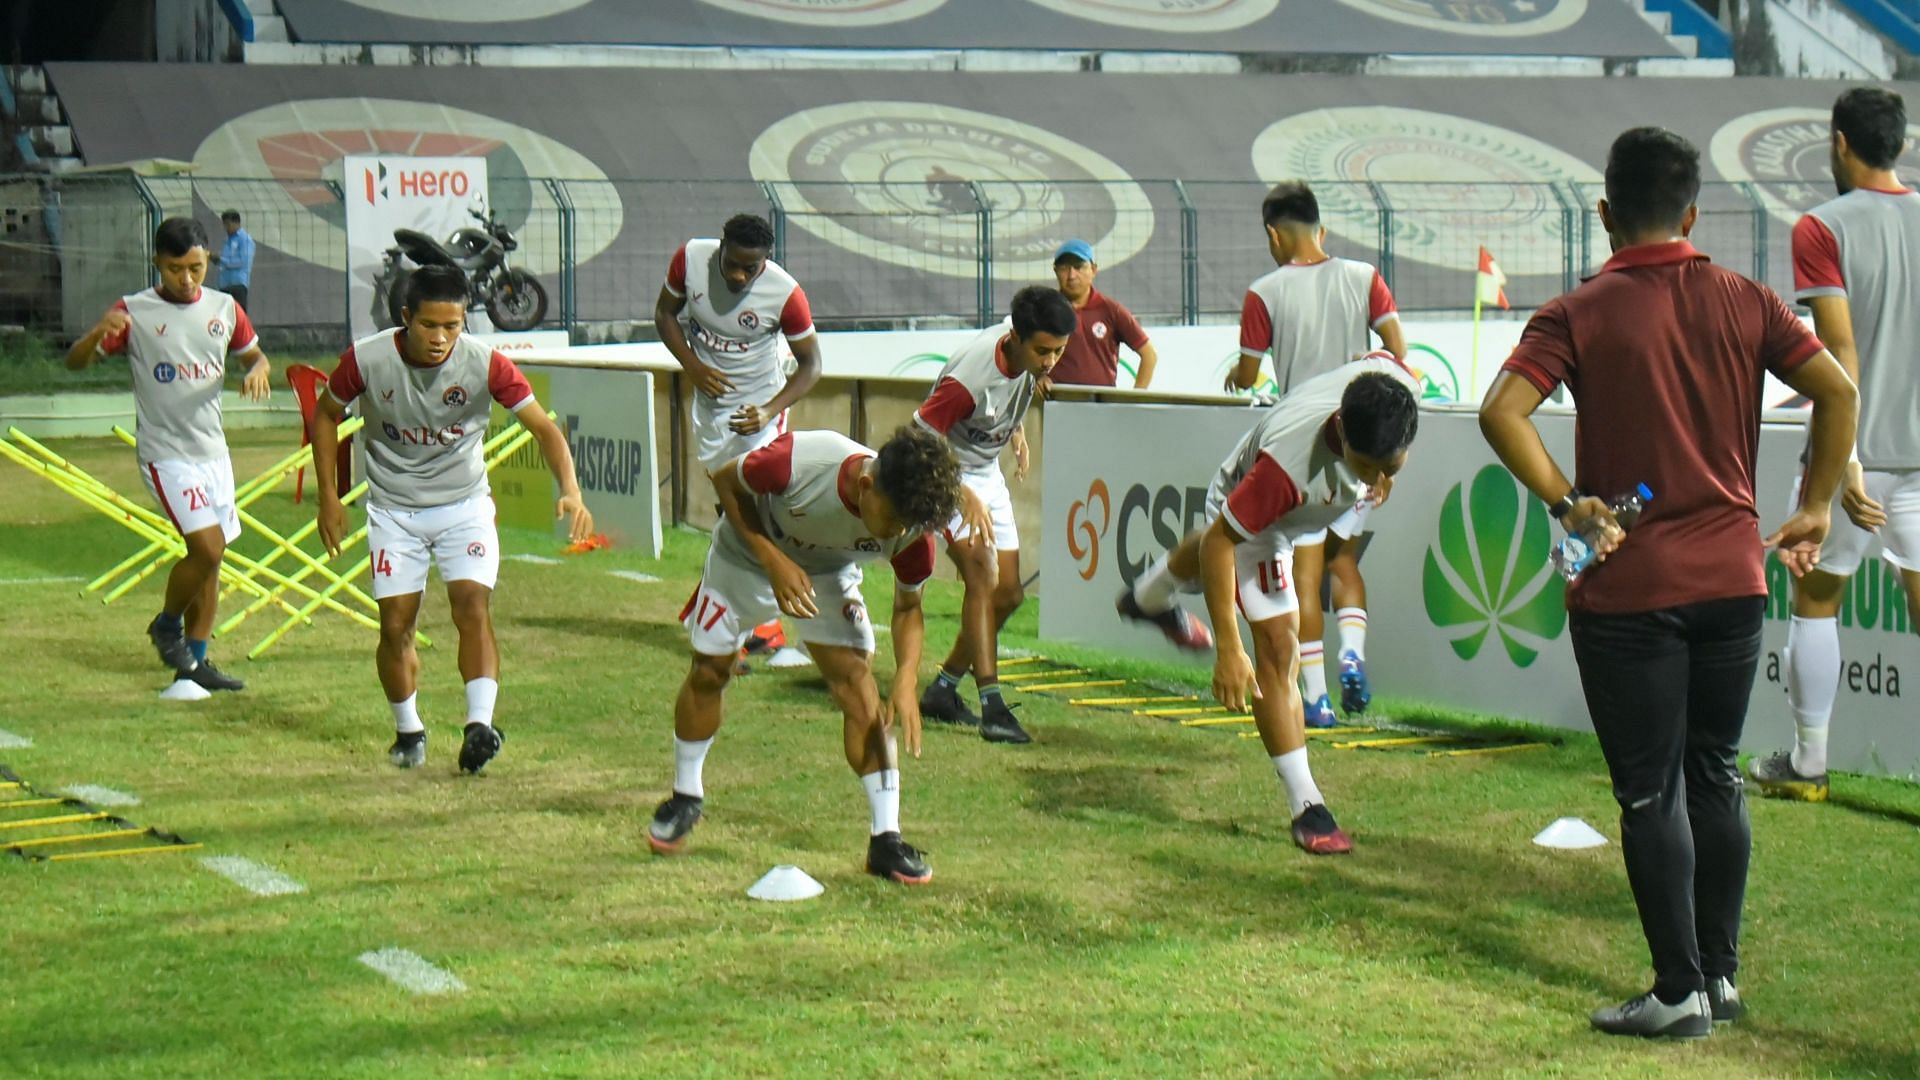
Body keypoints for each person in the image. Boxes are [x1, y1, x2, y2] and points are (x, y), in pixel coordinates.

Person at [1479, 127, 1859, 1038]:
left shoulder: (1576, 312)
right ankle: (1719, 981)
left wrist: (1572, 505)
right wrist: (1811, 506)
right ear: (1693, 211)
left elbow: (1502, 412)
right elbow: (1839, 392)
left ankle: (1677, 990)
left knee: (1651, 790)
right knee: (1716, 772)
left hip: (1627, 587)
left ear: (1606, 213)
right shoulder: (1747, 298)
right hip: (1734, 578)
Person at [1116, 357, 1420, 855]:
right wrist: (1229, 650)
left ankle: (1148, 596)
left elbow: (1387, 359)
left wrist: (1384, 473)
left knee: (1254, 599)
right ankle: (1307, 807)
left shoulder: (1397, 393)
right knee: (1278, 649)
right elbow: (1220, 544)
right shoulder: (1284, 470)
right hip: (1256, 519)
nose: (1374, 477)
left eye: (1387, 464)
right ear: (1340, 429)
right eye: (1365, 465)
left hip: (1299, 511)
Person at [645, 426, 962, 885]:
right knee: (710, 671)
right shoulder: (799, 461)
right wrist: (772, 558)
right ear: (867, 486)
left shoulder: (912, 531)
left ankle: (886, 839)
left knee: (858, 686)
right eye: (893, 521)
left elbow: (909, 607)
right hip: (746, 559)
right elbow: (726, 482)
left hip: (828, 573)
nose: (898, 533)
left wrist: (909, 679)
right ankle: (685, 795)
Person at [311, 265, 593, 774]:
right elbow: (325, 414)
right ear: (405, 318)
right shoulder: (367, 359)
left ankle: (479, 727)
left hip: (464, 506)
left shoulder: (487, 364)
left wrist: (570, 490)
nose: (442, 338)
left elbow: (545, 430)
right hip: (394, 511)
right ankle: (408, 729)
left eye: (453, 326)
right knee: (395, 624)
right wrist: (328, 498)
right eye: (430, 326)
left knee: (472, 606)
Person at [1752, 87, 1920, 802]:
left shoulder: (1821, 227)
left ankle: (1809, 765)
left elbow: (1840, 349)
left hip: (1851, 456)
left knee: (1815, 597)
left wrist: (1844, 460)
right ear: (1901, 145)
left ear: (1840, 142)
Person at [65, 216, 273, 699]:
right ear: (158, 263)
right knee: (207, 548)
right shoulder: (133, 310)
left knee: (212, 562)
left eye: (196, 268)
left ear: (207, 263)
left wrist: (259, 368)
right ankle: (167, 625)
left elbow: (256, 355)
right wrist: (98, 330)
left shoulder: (225, 308)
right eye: (176, 269)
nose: (187, 279)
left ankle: (193, 667)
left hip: (213, 453)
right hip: (166, 454)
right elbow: (76, 362)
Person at [1234, 182, 1409, 728]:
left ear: (1273, 233)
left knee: (1302, 577)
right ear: (1321, 229)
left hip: (1309, 447)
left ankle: (1316, 699)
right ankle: (1351, 652)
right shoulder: (1365, 277)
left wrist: (1233, 377)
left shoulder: (1264, 292)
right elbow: (1398, 355)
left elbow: (1246, 374)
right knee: (1344, 561)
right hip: (1368, 443)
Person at [654, 213, 822, 668]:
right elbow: (665, 314)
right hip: (711, 412)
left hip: (759, 412)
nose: (738, 275)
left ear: (766, 262)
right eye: (733, 263)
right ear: (721, 245)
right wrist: (692, 366)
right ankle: (730, 618)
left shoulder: (785, 294)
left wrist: (769, 409)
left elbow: (811, 365)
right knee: (731, 512)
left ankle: (760, 628)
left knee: (759, 511)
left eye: (751, 268)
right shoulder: (690, 260)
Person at [913, 285, 1075, 745]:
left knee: (1008, 595)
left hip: (985, 473)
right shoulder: (969, 379)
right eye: (1042, 351)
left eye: (1059, 352)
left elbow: (1016, 385)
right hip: (942, 469)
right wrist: (959, 491)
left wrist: (1015, 429)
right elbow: (921, 436)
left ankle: (943, 690)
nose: (1049, 362)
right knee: (982, 575)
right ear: (1016, 339)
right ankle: (993, 708)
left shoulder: (1024, 353)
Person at [1044, 239, 1158, 390]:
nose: (1071, 275)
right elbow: (1023, 353)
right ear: (1055, 271)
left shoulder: (1112, 310)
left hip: (1101, 403)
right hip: (1055, 401)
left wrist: (1136, 398)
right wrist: (1038, 378)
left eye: (1079, 267)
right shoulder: (1044, 310)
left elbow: (1149, 355)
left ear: (1093, 269)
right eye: (1064, 268)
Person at [214, 210, 254, 315]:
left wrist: (221, 259)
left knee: (239, 315)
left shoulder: (245, 240)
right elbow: (225, 260)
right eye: (224, 225)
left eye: (228, 224)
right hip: (224, 285)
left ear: (237, 223)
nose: (226, 228)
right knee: (225, 316)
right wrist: (216, 260)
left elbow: (242, 262)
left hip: (238, 285)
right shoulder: (227, 240)